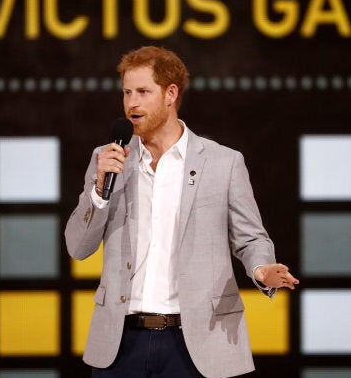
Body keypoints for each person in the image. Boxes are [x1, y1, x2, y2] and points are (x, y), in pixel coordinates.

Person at [65, 46, 299, 378]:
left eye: (143, 92)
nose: (132, 102)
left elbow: (251, 239)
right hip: (121, 345)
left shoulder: (223, 163)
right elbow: (78, 247)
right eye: (127, 92)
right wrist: (99, 192)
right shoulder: (108, 161)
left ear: (171, 94)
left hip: (195, 345)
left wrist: (260, 268)